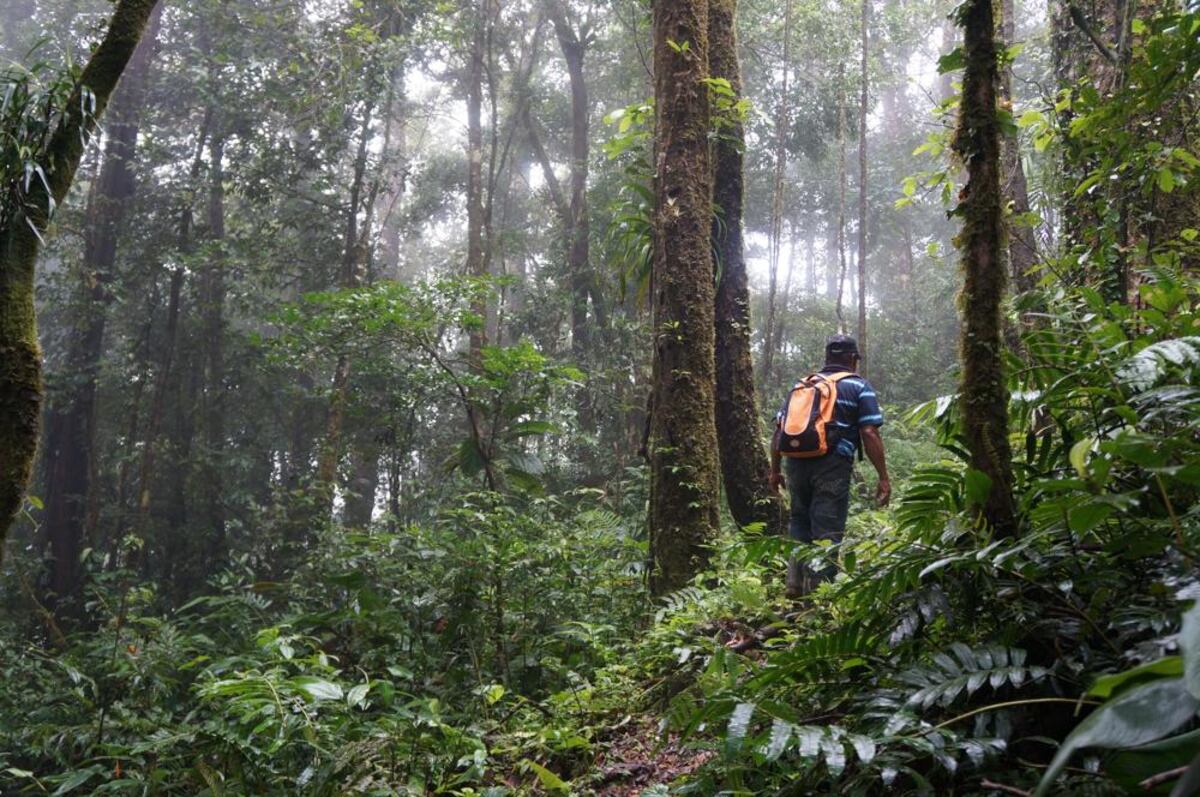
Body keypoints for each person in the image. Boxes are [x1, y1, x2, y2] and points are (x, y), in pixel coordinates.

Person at [768, 335, 890, 598]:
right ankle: (819, 596)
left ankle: (794, 586)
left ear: (827, 357)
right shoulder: (859, 387)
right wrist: (883, 477)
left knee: (799, 521)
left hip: (795, 464)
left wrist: (775, 470)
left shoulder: (801, 385)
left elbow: (778, 432)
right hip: (832, 465)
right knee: (828, 526)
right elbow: (869, 432)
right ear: (851, 358)